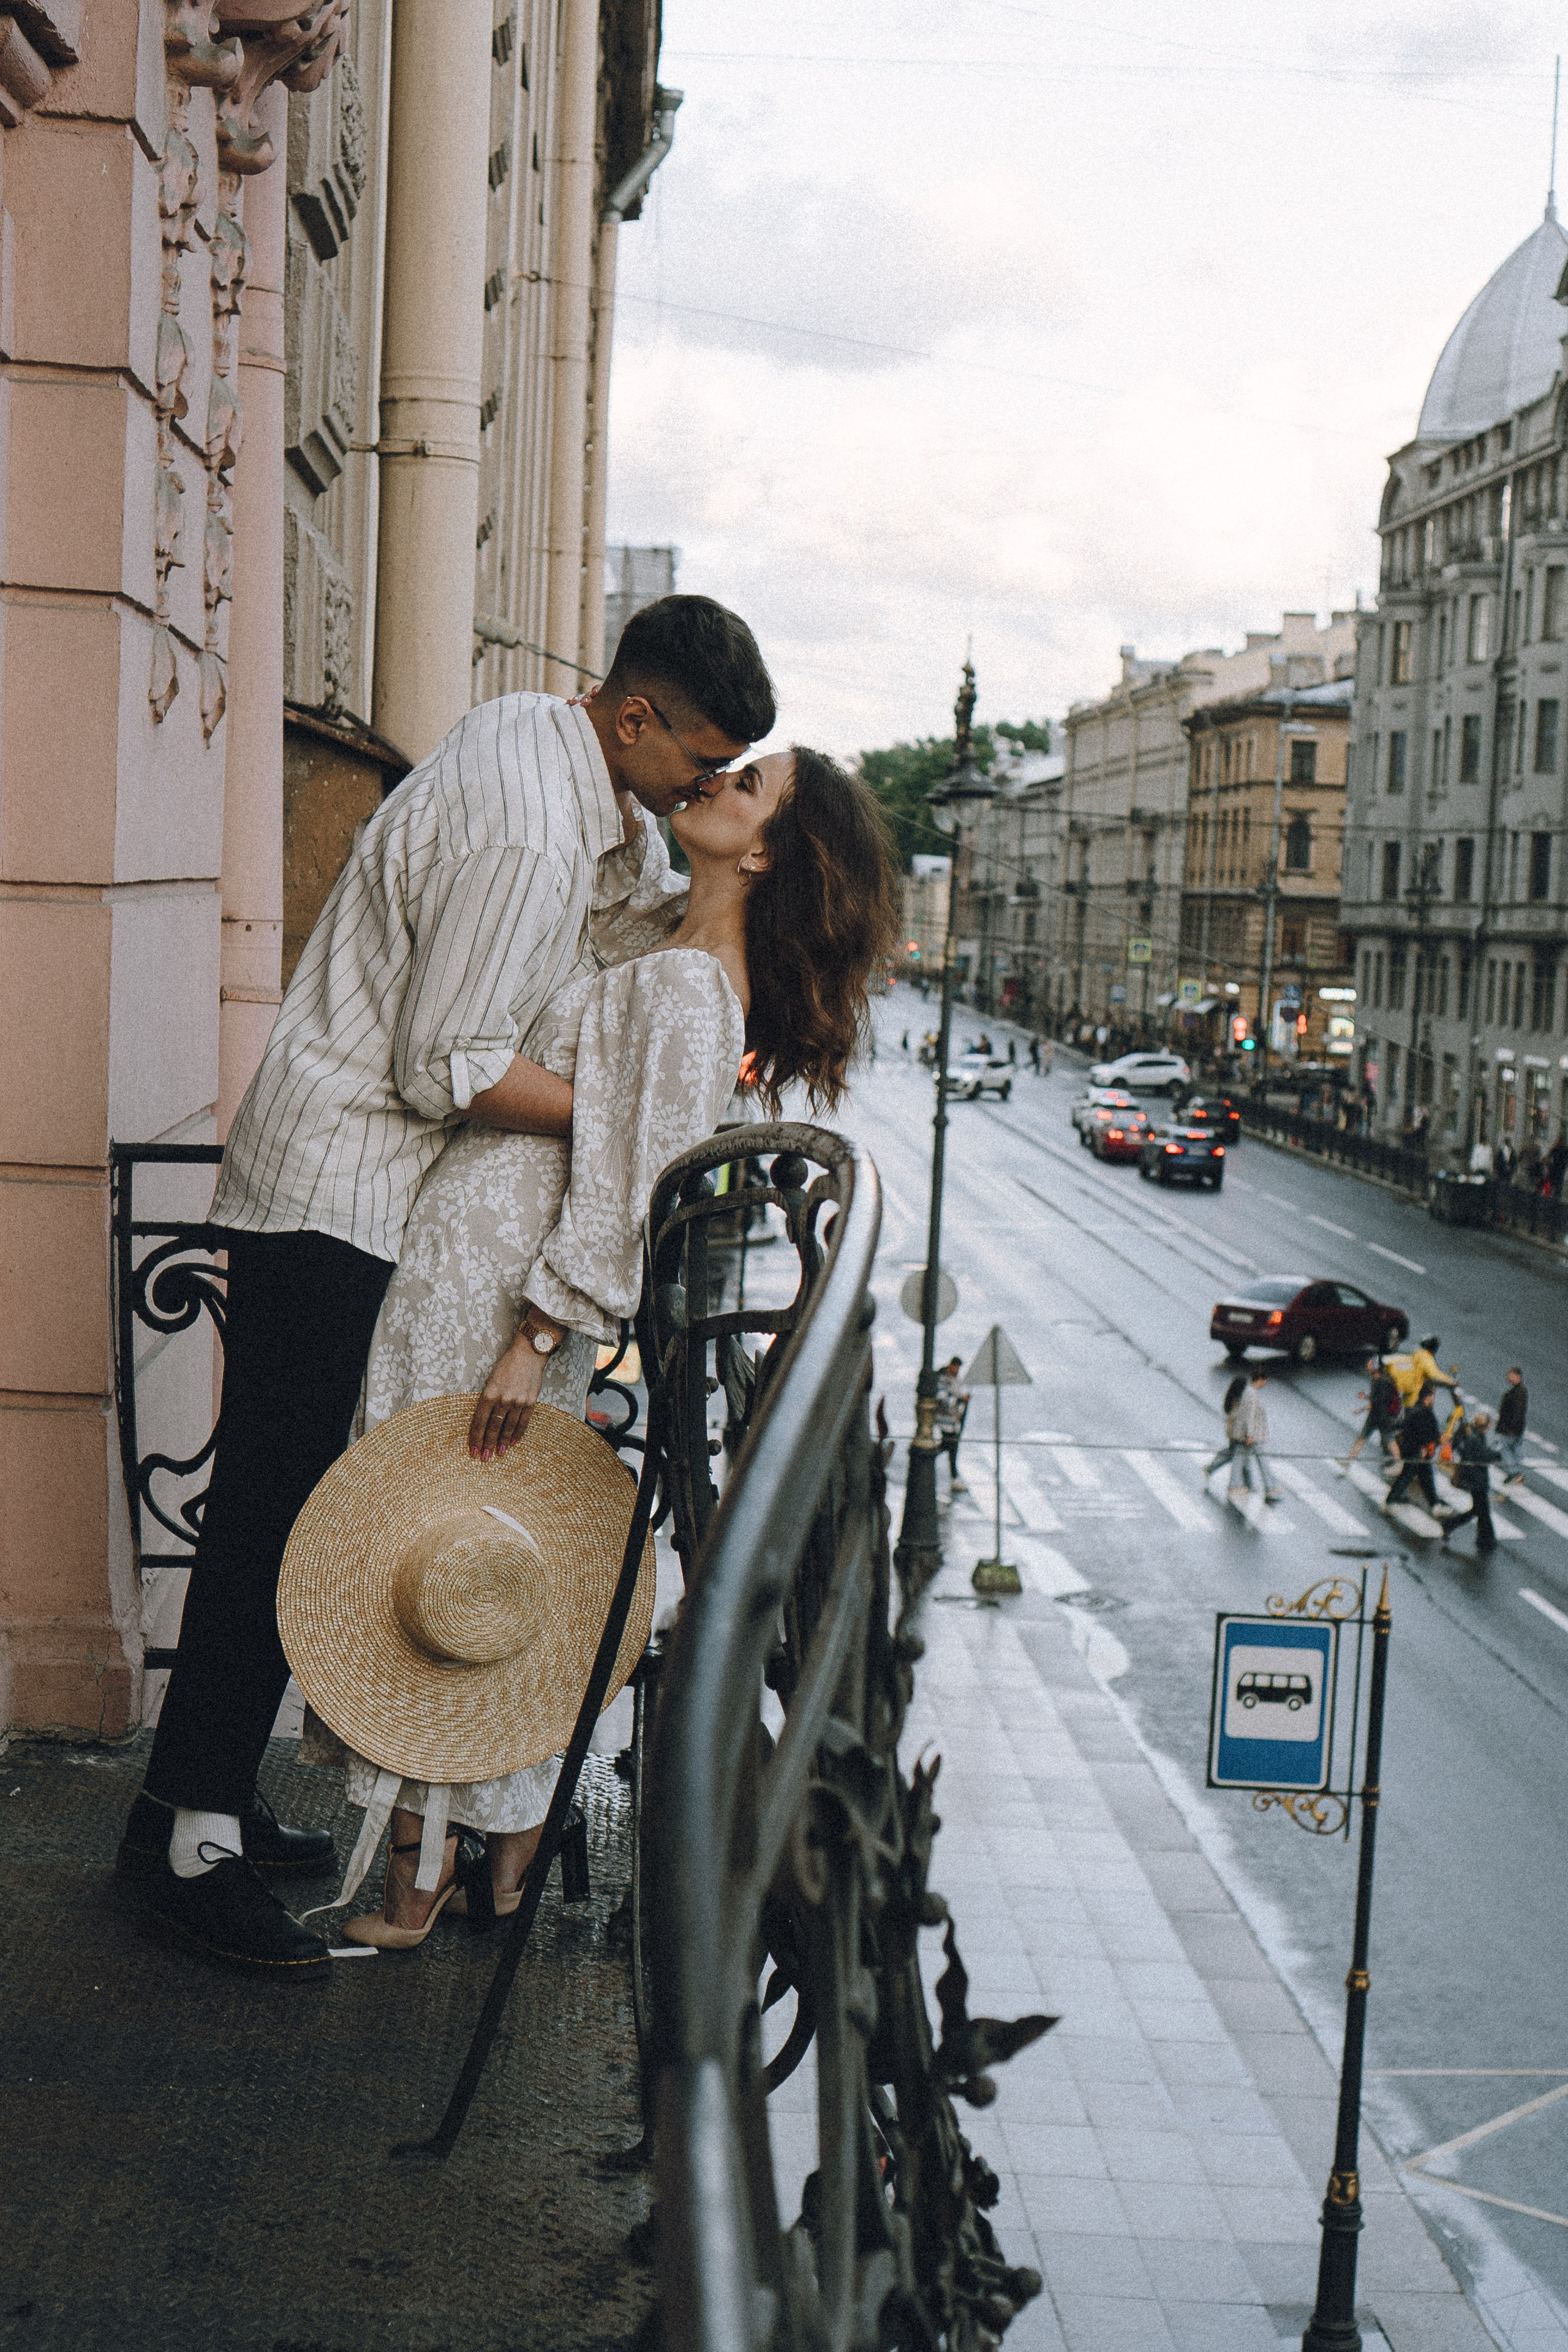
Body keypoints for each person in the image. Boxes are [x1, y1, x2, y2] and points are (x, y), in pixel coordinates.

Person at [116, 594, 778, 1975]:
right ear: (635, 717)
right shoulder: (534, 829)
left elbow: (602, 938)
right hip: (339, 1193)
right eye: (700, 760)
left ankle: (199, 1803)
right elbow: (452, 1066)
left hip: (349, 1183)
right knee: (278, 1515)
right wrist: (634, 1115)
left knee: (286, 1503)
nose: (702, 786)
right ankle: (187, 1846)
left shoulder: (552, 746)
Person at [307, 748, 899, 1946]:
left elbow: (635, 1181)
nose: (716, 780)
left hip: (499, 1285)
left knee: (445, 1545)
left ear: (768, 851)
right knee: (438, 1537)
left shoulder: (691, 984)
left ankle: (427, 1868)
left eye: (746, 784)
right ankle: (496, 1846)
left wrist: (538, 1331)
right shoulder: (664, 938)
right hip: (471, 1257)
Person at [1440, 1410, 1499, 1554]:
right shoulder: (1476, 1439)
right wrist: (1496, 1454)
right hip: (1477, 1480)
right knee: (1481, 1510)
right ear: (1485, 1426)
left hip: (1474, 1479)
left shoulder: (1472, 1435)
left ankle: (1485, 1538)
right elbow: (1482, 1457)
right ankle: (1483, 1538)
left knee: (1481, 1510)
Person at [1385, 1381, 1442, 1513]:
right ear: (1427, 1398)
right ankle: (1391, 1501)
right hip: (1418, 1451)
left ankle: (1435, 1505)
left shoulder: (1415, 1409)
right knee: (1408, 1476)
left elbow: (1404, 1426)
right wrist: (1427, 1445)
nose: (1434, 1399)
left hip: (1415, 1449)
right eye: (1433, 1397)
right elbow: (1425, 1432)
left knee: (1426, 1478)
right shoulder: (1424, 1412)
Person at [1343, 1356, 1402, 1473]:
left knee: (1389, 1439)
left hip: (1383, 1417)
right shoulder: (1377, 1379)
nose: (1368, 1366)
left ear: (1376, 1367)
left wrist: (1361, 1409)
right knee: (1363, 1438)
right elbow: (1376, 1397)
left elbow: (1379, 1401)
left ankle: (1399, 1463)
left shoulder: (1383, 1381)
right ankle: (1348, 1461)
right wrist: (1365, 1396)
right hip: (1376, 1416)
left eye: (1370, 1364)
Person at [1232, 1370, 1282, 1503]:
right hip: (1254, 1436)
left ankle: (1236, 1485)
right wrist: (1250, 1435)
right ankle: (1270, 1488)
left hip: (1248, 1434)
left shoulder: (1248, 1391)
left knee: (1240, 1458)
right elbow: (1250, 1416)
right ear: (1260, 1380)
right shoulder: (1252, 1394)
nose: (1265, 1383)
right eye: (1265, 1381)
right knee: (1263, 1461)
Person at [1204, 1373, 1250, 1485]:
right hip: (1238, 1436)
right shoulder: (1238, 1402)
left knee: (1234, 1455)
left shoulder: (1232, 1399)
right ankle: (1245, 1485)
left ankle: (1210, 1469)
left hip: (1234, 1434)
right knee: (1240, 1458)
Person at [934, 1356, 970, 1494]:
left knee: (949, 1446)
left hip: (952, 1420)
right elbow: (943, 1398)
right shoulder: (943, 1379)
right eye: (955, 1367)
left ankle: (954, 1477)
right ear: (950, 1366)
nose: (957, 1370)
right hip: (945, 1420)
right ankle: (954, 1478)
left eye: (958, 1368)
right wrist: (960, 1400)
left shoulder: (955, 1379)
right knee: (951, 1446)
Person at [1496, 1367, 1529, 1485]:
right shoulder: (1520, 1392)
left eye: (1511, 1376)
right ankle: (1519, 1475)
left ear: (1518, 1376)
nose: (1508, 1378)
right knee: (1516, 1450)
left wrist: (1511, 1428)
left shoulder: (1518, 1393)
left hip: (1511, 1428)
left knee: (1505, 1448)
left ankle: (1514, 1472)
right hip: (1517, 1428)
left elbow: (1518, 1413)